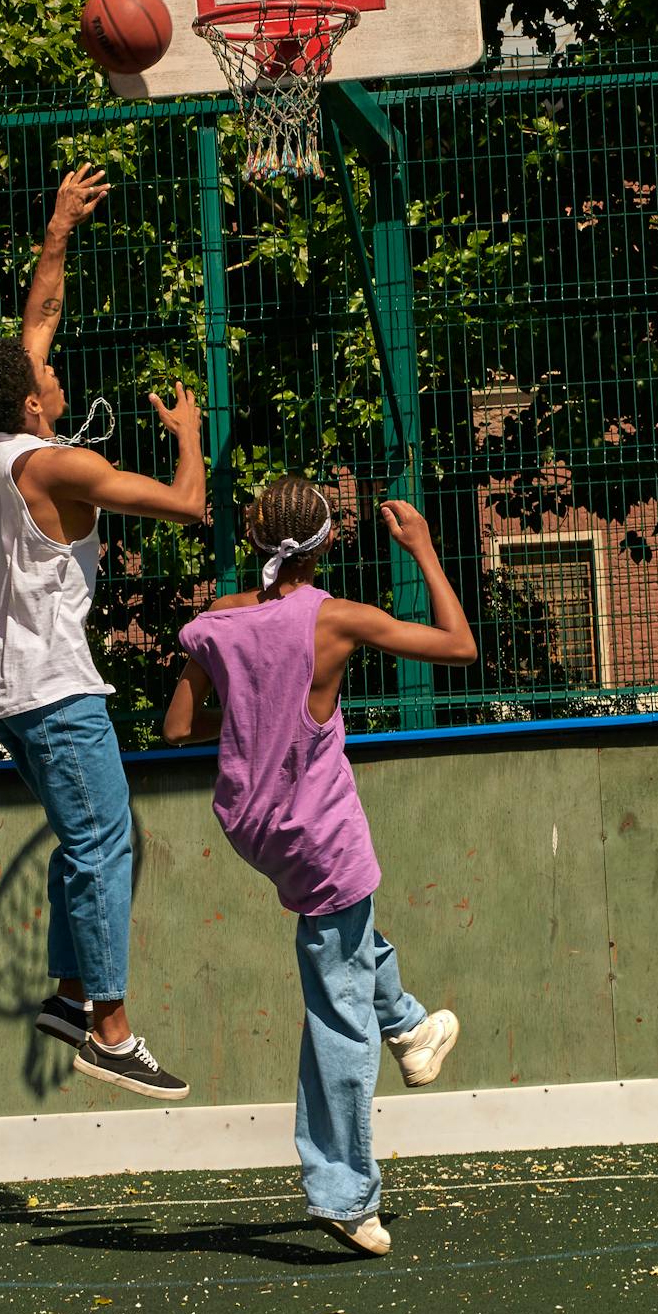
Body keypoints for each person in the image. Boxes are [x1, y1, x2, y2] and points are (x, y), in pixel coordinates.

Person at [161, 476, 473, 1255]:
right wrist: (425, 549)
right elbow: (459, 645)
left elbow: (174, 728)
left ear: (258, 542)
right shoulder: (335, 620)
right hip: (320, 832)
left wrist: (245, 720)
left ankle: (408, 1028)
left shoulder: (219, 623)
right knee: (338, 1013)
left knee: (350, 928)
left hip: (254, 827)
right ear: (328, 542)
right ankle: (341, 1189)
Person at [0, 163, 203, 1101]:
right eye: (45, 375)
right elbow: (186, 504)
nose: (52, 369)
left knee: (80, 842)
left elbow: (39, 318)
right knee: (106, 845)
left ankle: (65, 995)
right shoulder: (61, 465)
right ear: (30, 401)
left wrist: (58, 227)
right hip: (56, 688)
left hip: (8, 690)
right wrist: (187, 428)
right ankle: (108, 1025)